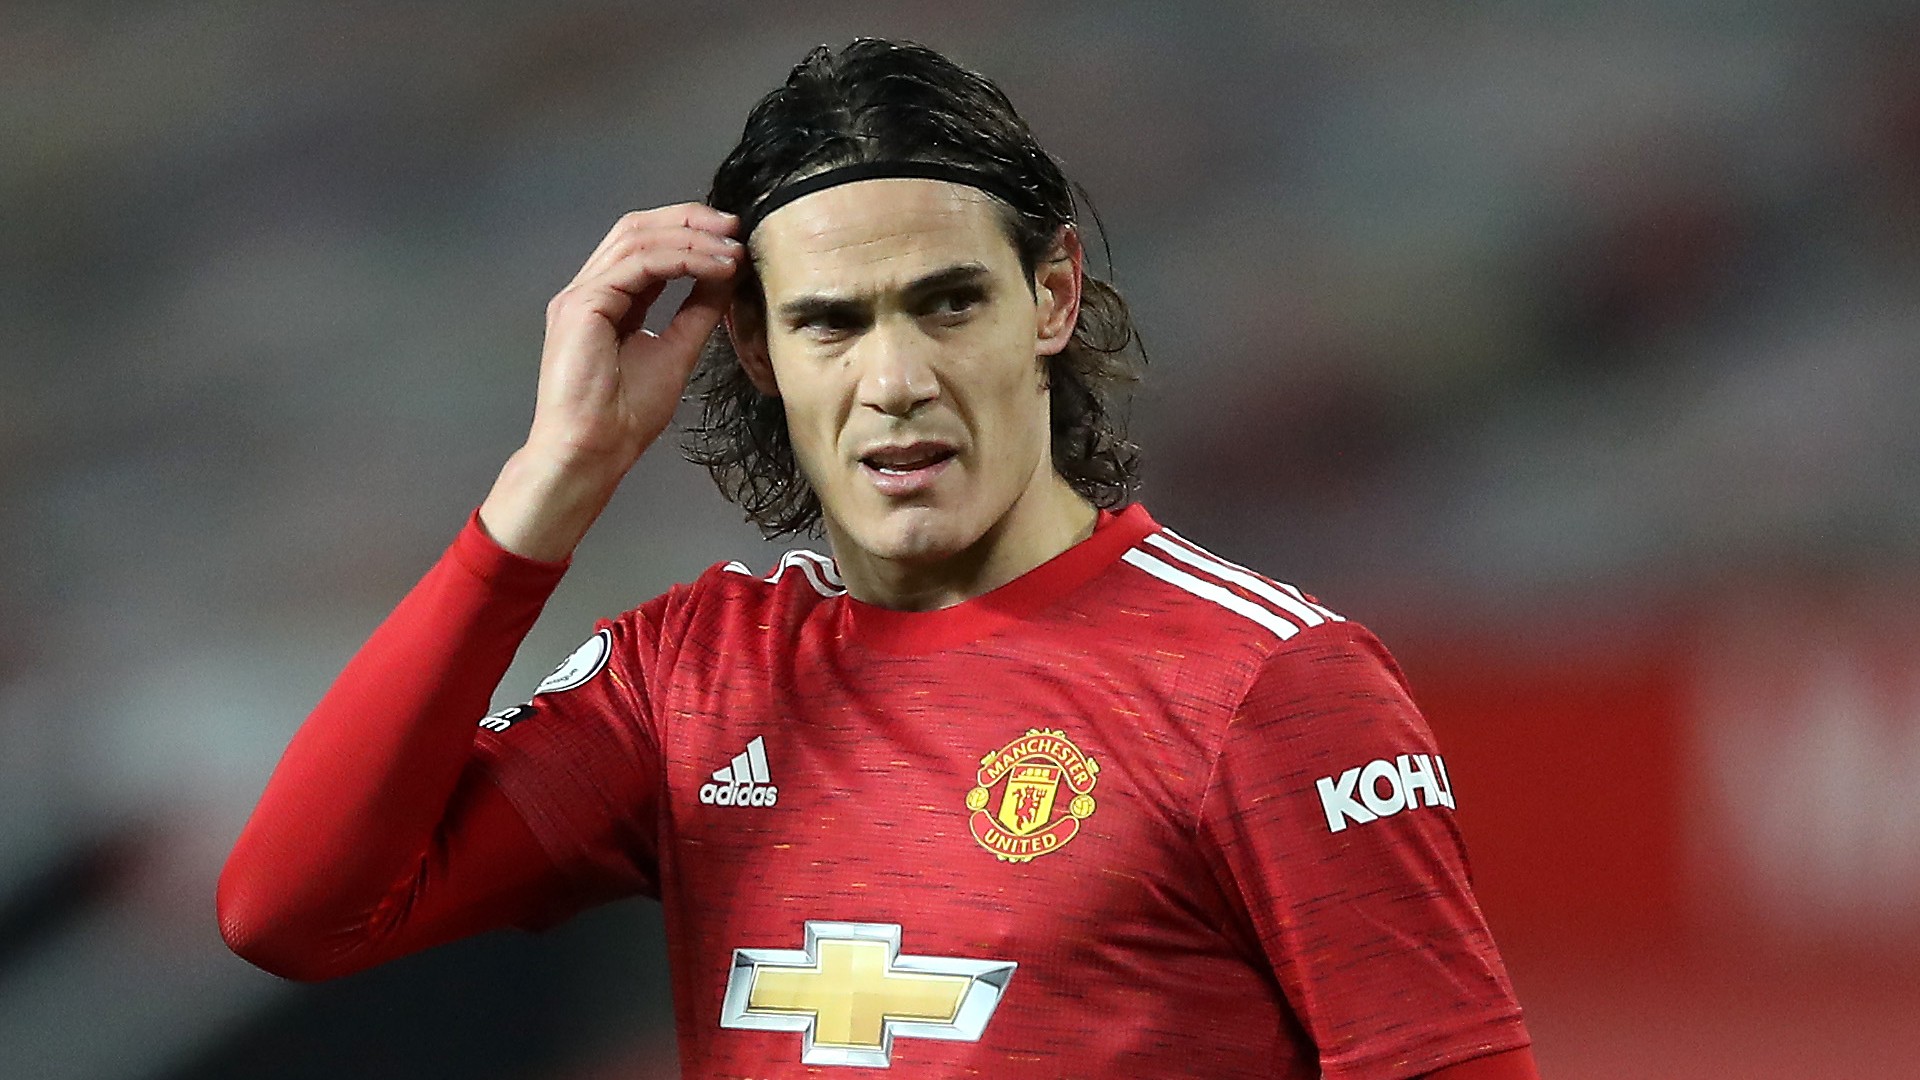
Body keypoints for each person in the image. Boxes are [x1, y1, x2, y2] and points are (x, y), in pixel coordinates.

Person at [218, 38, 1539, 1079]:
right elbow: (291, 911)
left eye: (947, 303)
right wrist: (550, 484)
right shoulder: (690, 681)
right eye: (831, 322)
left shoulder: (1266, 686)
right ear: (757, 348)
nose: (896, 379)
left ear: (1051, 296)